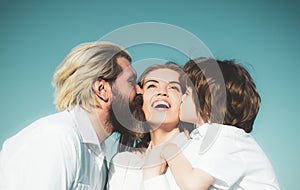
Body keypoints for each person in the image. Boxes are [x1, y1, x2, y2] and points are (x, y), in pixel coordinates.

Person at [0, 41, 143, 190]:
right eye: (131, 81)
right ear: (102, 89)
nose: (140, 91)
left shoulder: (97, 153)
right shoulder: (57, 138)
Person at [146, 58, 280, 189]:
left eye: (186, 93)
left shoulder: (227, 136)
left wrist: (170, 151)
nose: (181, 98)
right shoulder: (206, 139)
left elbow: (192, 186)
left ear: (207, 98)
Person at [107, 62, 193, 190]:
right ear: (141, 101)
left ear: (184, 101)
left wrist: (153, 177)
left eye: (173, 87)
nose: (162, 92)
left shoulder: (201, 154)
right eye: (152, 86)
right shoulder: (123, 163)